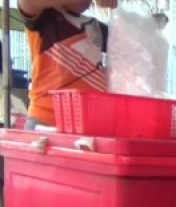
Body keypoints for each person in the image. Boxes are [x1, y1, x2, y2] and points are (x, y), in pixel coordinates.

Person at [18, 0, 118, 129]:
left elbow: (126, 47)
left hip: (89, 124)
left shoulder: (96, 27)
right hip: (47, 120)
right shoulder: (44, 15)